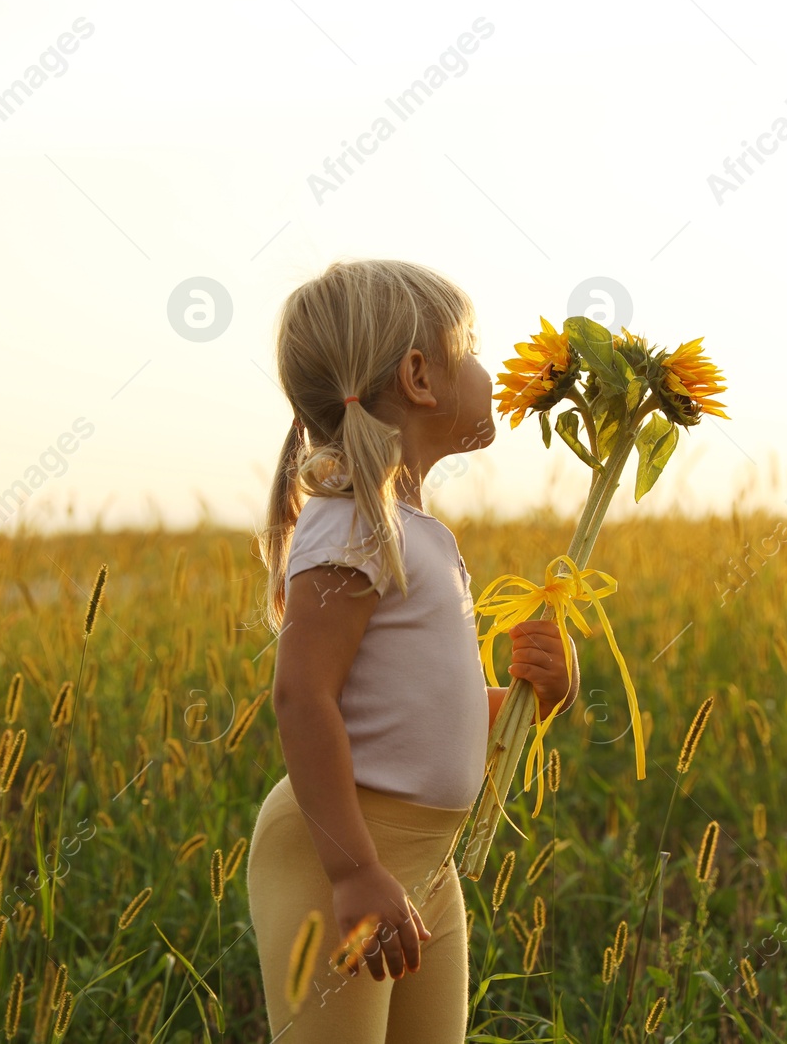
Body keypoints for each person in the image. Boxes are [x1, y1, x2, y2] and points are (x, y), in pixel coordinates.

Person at [247, 258, 580, 1042]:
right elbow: (302, 696)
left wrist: (534, 694)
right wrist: (355, 870)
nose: (487, 367)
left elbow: (410, 719)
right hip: (339, 856)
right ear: (421, 376)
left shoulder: (411, 531)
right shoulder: (354, 523)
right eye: (470, 347)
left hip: (424, 863)